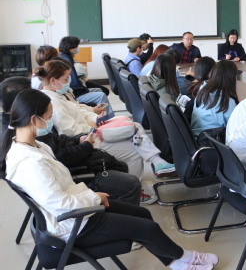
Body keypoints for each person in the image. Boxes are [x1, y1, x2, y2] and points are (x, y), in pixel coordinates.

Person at [0, 89, 219, 270]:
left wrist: (93, 197)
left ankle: (176, 262)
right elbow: (60, 204)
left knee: (143, 215)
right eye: (48, 117)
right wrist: (95, 198)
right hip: (72, 224)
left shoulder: (34, 145)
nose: (50, 121)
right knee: (147, 229)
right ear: (34, 119)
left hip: (78, 206)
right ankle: (186, 258)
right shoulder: (30, 163)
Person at [1, 78, 142, 205]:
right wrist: (86, 146)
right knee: (128, 178)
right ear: (23, 103)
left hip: (70, 178)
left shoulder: (22, 131)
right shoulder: (28, 141)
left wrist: (77, 140)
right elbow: (62, 162)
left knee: (121, 166)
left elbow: (56, 140)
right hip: (74, 179)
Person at [37, 60, 176, 183]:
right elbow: (70, 130)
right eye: (66, 79)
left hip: (91, 129)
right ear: (53, 80)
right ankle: (137, 188)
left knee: (134, 126)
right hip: (88, 137)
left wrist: (95, 117)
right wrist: (93, 125)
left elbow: (78, 109)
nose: (68, 82)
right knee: (135, 147)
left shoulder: (59, 95)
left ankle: (157, 161)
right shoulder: (54, 102)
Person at [58, 36, 112, 111]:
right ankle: (108, 116)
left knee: (100, 90)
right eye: (77, 46)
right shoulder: (67, 61)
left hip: (73, 91)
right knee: (101, 94)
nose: (78, 48)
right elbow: (74, 84)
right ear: (71, 49)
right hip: (74, 94)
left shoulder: (64, 57)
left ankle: (99, 113)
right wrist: (85, 90)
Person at [191, 61, 239, 135]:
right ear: (232, 79)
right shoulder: (228, 102)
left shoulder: (202, 90)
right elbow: (235, 130)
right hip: (213, 139)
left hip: (194, 136)